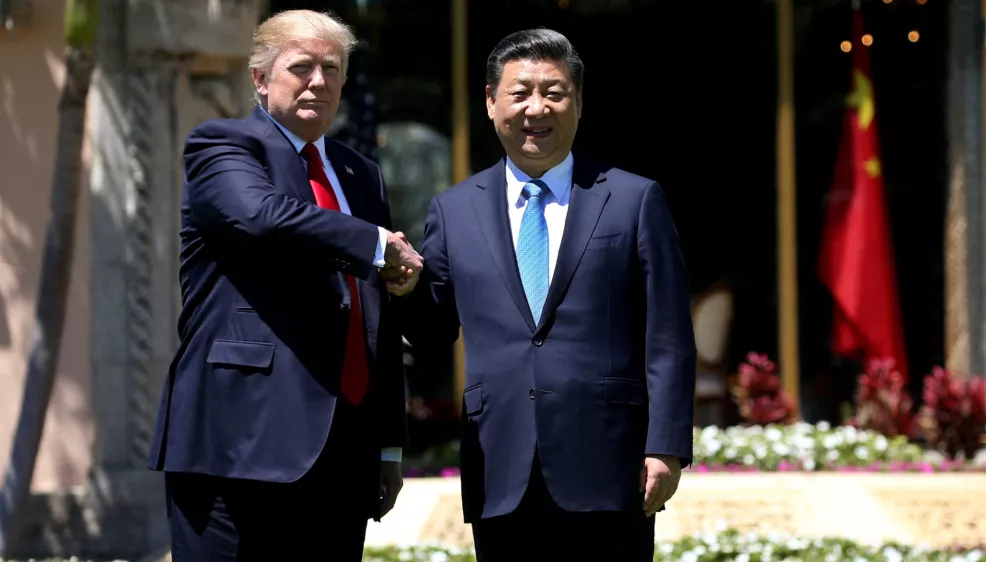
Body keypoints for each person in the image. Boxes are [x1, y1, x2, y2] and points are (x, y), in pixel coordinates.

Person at [392, 28, 695, 561]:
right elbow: (434, 331)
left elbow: (667, 335)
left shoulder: (632, 198)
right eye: (519, 92)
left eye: (554, 92)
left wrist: (666, 445)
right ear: (490, 102)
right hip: (499, 466)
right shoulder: (453, 209)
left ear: (577, 102)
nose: (537, 108)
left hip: (609, 464)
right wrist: (407, 286)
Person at [146, 9, 423, 561]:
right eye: (302, 66)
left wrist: (388, 442)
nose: (319, 81)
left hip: (345, 450)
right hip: (237, 442)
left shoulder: (358, 173)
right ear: (260, 78)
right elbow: (261, 215)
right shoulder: (223, 146)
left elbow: (373, 316)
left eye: (333, 67)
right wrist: (378, 244)